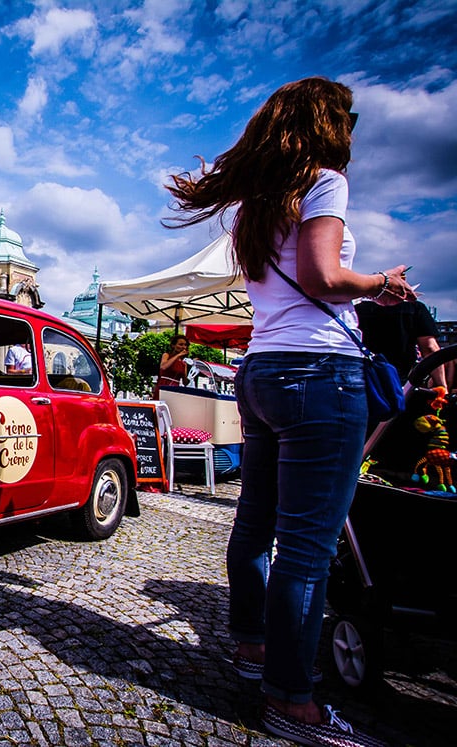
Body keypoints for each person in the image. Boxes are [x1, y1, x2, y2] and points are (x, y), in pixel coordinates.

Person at [165, 77, 413, 747]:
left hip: (265, 370)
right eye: (349, 120)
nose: (354, 133)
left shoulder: (256, 204)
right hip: (319, 372)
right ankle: (292, 700)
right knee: (306, 548)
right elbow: (322, 276)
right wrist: (383, 284)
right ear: (326, 123)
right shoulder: (325, 182)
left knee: (254, 527)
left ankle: (250, 651)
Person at [356, 298, 447, 390]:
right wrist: (441, 385)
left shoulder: (356, 309)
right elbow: (430, 348)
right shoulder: (414, 307)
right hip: (401, 377)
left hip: (363, 374)